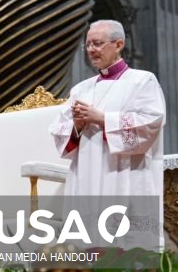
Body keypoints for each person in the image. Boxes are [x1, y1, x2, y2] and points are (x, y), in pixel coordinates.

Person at [50, 19, 165, 250]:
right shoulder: (80, 89)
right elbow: (60, 132)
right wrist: (78, 125)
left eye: (98, 43)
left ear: (118, 44)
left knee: (124, 246)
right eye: (88, 44)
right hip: (86, 173)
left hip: (124, 173)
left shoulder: (142, 81)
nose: (92, 49)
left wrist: (102, 119)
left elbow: (151, 122)